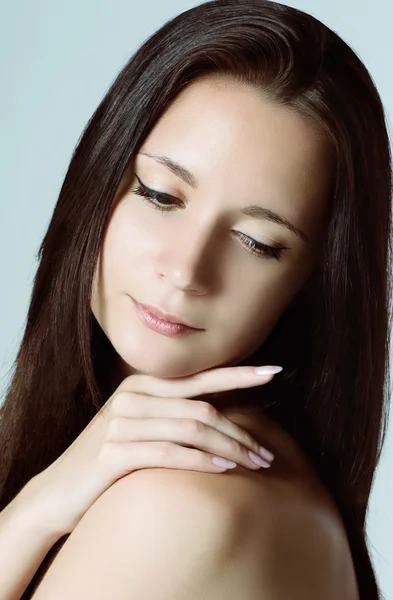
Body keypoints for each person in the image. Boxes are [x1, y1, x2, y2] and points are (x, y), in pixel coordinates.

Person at [0, 0, 391, 598]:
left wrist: (36, 510)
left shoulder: (178, 508)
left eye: (257, 242)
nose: (185, 270)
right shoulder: (171, 472)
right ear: (101, 177)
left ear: (310, 282)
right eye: (160, 196)